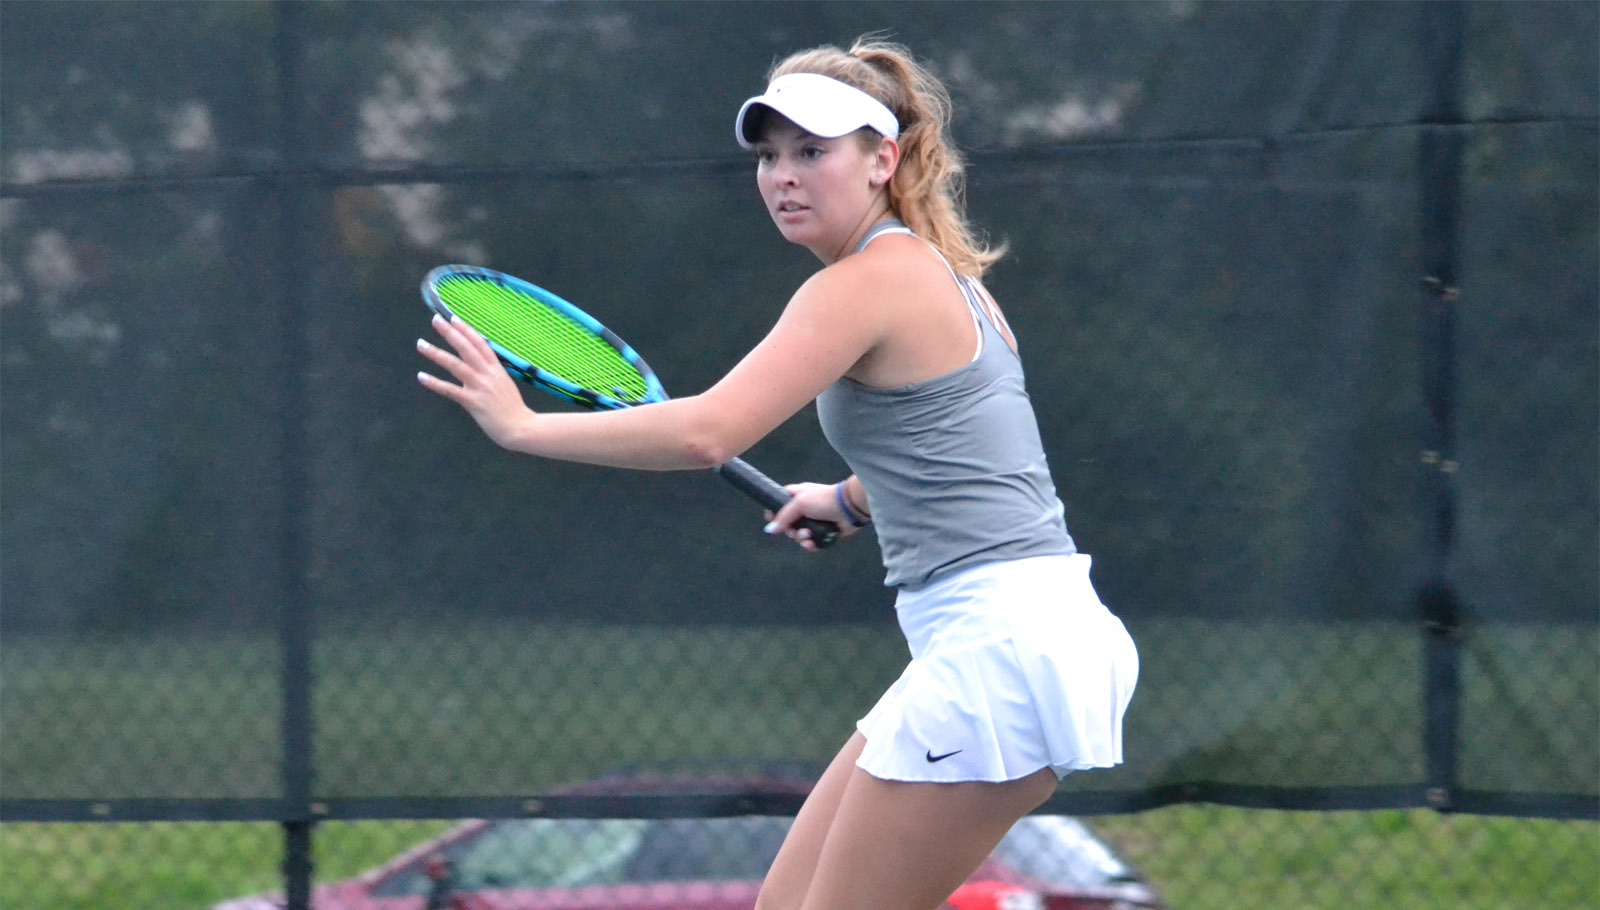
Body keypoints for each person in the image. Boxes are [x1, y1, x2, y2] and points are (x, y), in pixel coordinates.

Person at [416, 36, 1138, 910]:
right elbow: (965, 451)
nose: (783, 176)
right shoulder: (947, 282)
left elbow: (708, 433)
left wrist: (524, 430)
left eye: (812, 151)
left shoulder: (864, 285)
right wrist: (843, 498)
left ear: (884, 159)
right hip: (1022, 634)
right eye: (769, 155)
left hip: (1001, 645)